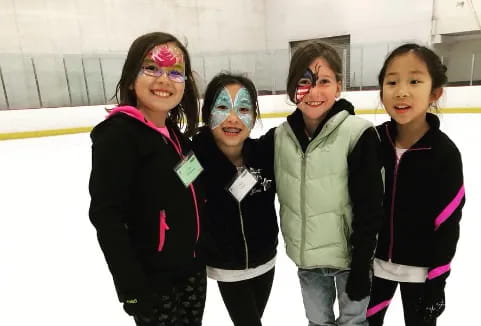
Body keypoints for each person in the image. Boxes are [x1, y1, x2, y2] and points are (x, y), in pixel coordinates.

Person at [259, 41, 383, 326]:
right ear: (293, 89)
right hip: (309, 261)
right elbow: (241, 160)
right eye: (305, 82)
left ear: (338, 86)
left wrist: (363, 265)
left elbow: (370, 207)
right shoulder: (280, 138)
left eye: (324, 81)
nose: (314, 92)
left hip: (350, 261)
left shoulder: (357, 134)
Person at [88, 32, 206, 326]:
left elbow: (192, 189)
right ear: (131, 78)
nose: (164, 79)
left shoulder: (176, 137)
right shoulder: (118, 136)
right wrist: (130, 287)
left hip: (190, 270)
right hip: (153, 281)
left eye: (175, 72)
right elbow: (106, 216)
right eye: (151, 68)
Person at [366, 43, 465, 326]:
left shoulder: (444, 153)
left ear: (435, 93)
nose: (401, 91)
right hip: (374, 269)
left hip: (421, 274)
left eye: (414, 81)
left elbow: (448, 222)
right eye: (392, 81)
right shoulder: (371, 143)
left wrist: (438, 280)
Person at [192, 73, 278, 326]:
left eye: (243, 108)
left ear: (253, 116)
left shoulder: (264, 153)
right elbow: (171, 200)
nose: (233, 118)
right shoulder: (193, 159)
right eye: (221, 107)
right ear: (207, 114)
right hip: (226, 265)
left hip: (265, 260)